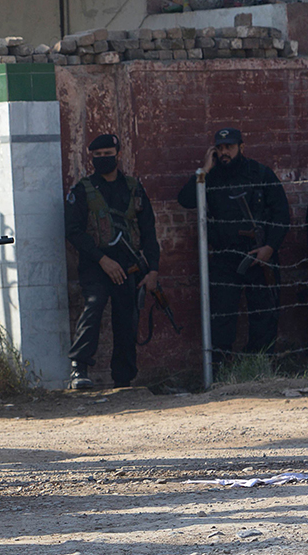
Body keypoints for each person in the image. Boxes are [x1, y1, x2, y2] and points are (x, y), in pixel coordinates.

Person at [178, 128, 288, 369]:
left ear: (241, 147)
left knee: (264, 313)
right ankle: (220, 372)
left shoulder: (259, 173)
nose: (224, 152)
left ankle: (259, 368)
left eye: (229, 146)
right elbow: (186, 200)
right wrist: (204, 171)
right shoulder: (212, 177)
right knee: (222, 316)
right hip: (225, 257)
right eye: (220, 147)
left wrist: (269, 247)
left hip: (258, 255)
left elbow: (282, 213)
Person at [65, 134, 159, 389]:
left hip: (128, 264)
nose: (103, 159)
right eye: (98, 155)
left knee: (126, 317)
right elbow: (73, 231)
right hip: (96, 263)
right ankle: (79, 369)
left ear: (117, 155)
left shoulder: (133, 187)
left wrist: (153, 269)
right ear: (91, 158)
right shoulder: (83, 190)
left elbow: (148, 230)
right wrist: (102, 259)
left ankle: (124, 378)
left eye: (108, 154)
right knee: (93, 308)